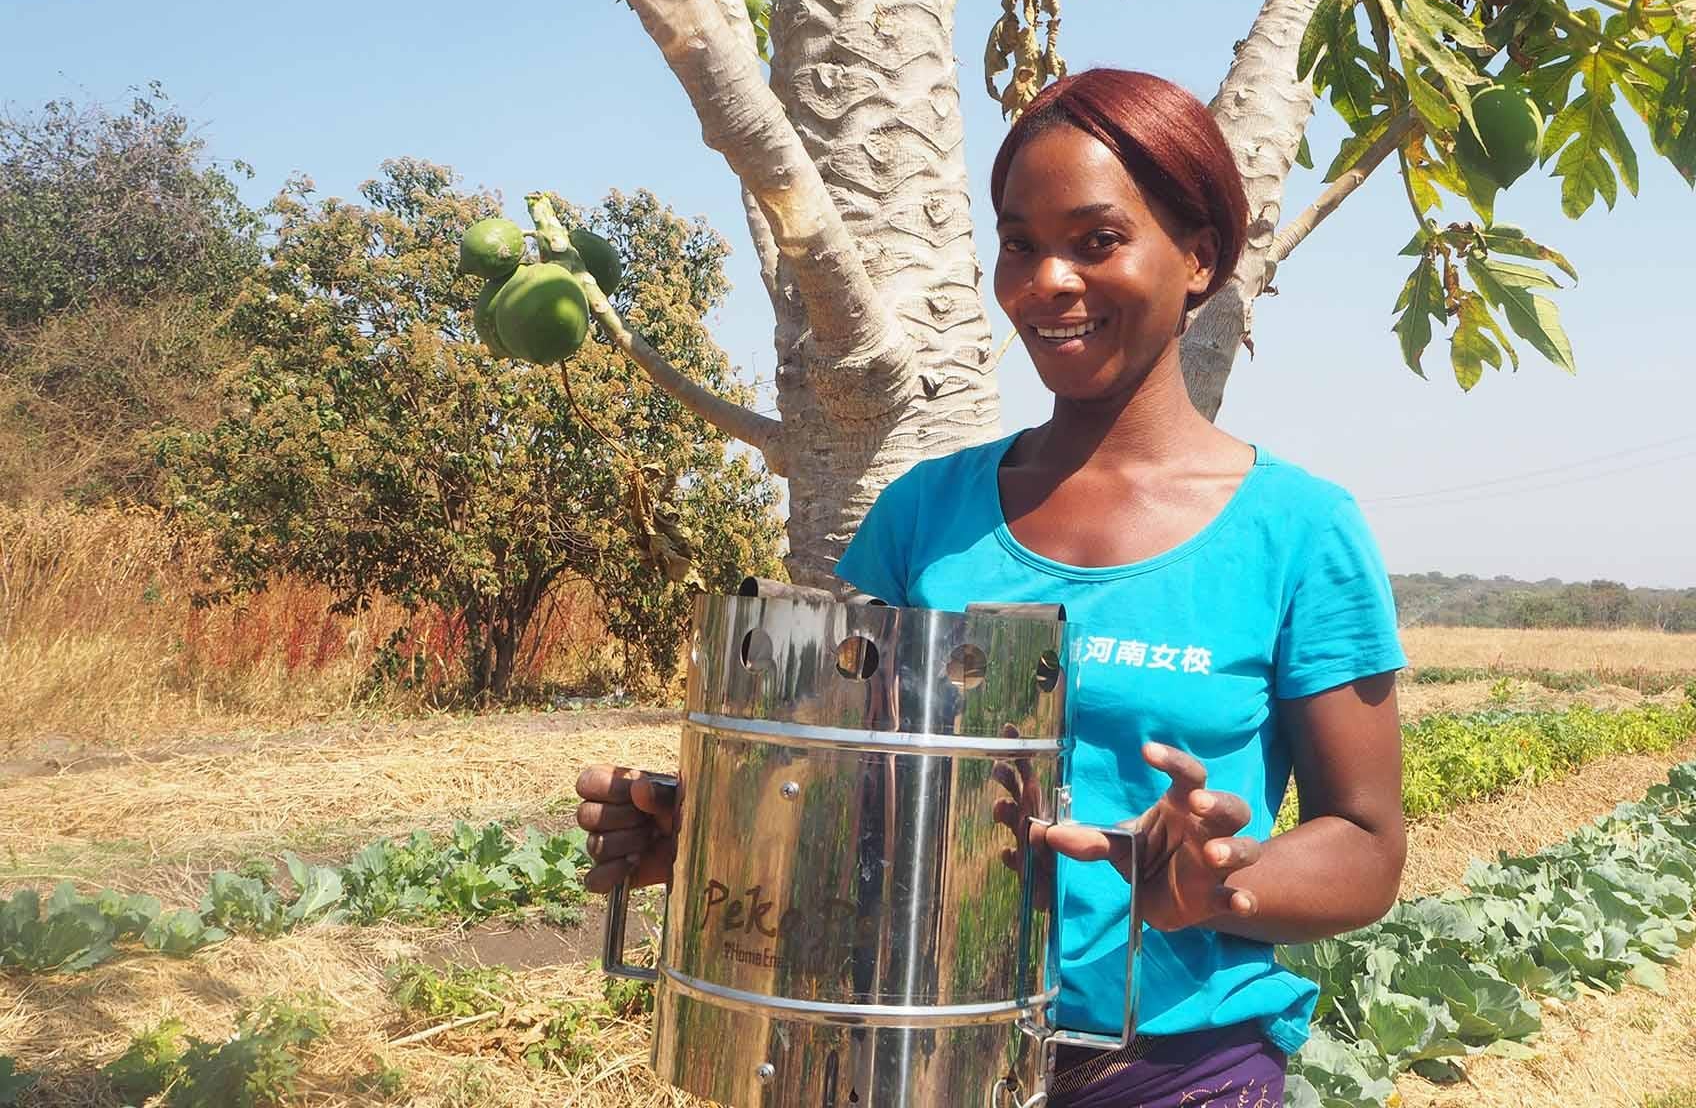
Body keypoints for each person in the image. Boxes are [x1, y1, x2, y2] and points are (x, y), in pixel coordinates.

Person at [577, 68, 1406, 1106]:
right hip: (906, 1061)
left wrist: (1211, 883)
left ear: (1196, 257)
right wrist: (712, 828)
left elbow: (1366, 846)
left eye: (1095, 241)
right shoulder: (924, 516)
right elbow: (841, 787)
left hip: (1169, 1074)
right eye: (1019, 243)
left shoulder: (1298, 531)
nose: (1046, 281)